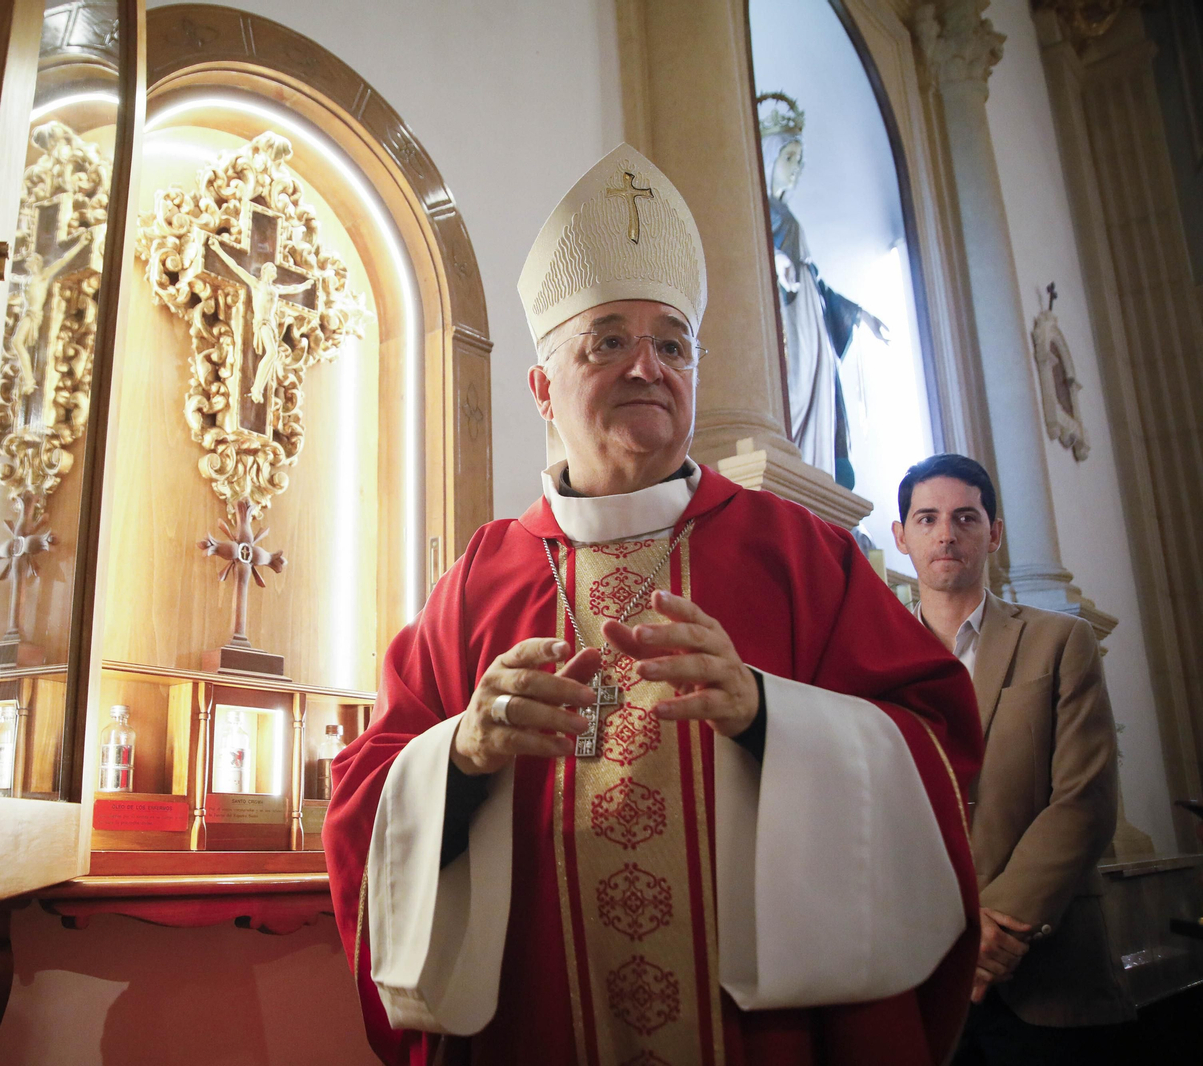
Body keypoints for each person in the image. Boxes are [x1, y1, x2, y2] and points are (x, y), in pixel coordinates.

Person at [324, 143, 983, 1066]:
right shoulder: (483, 576)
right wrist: (461, 755)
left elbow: (940, 748)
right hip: (541, 1021)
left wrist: (768, 716)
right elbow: (363, 793)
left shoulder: (798, 553)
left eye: (672, 342)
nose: (648, 366)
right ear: (543, 387)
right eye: (609, 339)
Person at [892, 454, 1133, 1065]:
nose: (946, 533)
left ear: (993, 532)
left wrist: (997, 927)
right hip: (918, 974)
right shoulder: (877, 660)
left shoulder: (1059, 641)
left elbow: (1084, 800)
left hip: (1050, 977)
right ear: (902, 536)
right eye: (927, 518)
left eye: (965, 517)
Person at [759, 91, 888, 490]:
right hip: (789, 324)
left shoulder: (787, 214)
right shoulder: (759, 210)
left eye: (800, 160)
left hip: (810, 322)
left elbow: (814, 279)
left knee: (820, 406)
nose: (796, 169)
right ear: (767, 159)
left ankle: (815, 470)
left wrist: (855, 313)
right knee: (793, 398)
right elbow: (751, 252)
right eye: (789, 158)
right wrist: (773, 259)